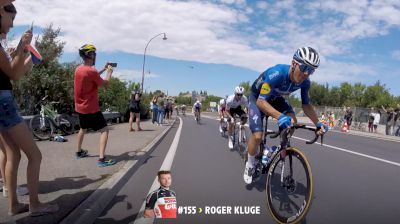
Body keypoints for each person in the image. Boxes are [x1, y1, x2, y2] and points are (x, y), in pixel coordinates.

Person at [0, 2, 59, 216]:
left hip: (2, 101)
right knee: (35, 155)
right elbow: (14, 75)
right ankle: (35, 204)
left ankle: (14, 204)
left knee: (12, 153)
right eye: (11, 19)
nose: (12, 24)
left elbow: (13, 72)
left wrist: (29, 58)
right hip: (3, 101)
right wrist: (21, 47)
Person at [244, 47, 328, 184]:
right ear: (294, 64)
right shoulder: (277, 74)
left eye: (311, 70)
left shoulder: (305, 82)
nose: (307, 74)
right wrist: (279, 117)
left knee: (292, 122)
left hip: (276, 99)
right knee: (258, 135)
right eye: (304, 67)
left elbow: (306, 105)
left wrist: (318, 123)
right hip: (257, 98)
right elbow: (261, 101)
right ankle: (250, 164)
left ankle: (277, 149)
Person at [74, 44, 116, 167]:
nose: (95, 56)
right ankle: (102, 160)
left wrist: (103, 69)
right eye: (94, 54)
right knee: (104, 130)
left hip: (80, 107)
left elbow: (92, 76)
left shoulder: (79, 69)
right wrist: (109, 72)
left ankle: (79, 152)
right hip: (91, 108)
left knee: (83, 128)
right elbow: (105, 83)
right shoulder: (91, 71)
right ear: (90, 55)